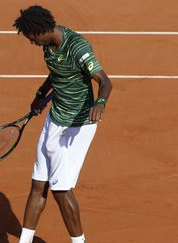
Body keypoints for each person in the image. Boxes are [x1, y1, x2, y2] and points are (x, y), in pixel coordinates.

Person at [13, 5, 113, 243]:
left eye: (32, 38)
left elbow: (105, 81)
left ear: (41, 30)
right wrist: (40, 94)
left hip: (76, 126)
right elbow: (56, 73)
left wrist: (100, 103)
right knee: (38, 183)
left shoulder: (78, 47)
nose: (32, 43)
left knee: (60, 189)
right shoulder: (48, 46)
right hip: (55, 119)